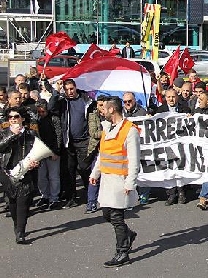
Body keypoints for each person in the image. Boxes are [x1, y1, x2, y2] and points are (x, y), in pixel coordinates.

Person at [89, 96, 140, 267]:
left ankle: (122, 252)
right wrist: (95, 173)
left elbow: (134, 160)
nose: (101, 110)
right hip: (107, 180)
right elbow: (103, 154)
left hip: (120, 181)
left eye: (104, 107)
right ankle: (128, 234)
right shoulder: (107, 128)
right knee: (106, 214)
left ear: (112, 110)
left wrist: (130, 183)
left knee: (117, 217)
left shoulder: (130, 130)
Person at [48, 78, 93, 209]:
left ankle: (90, 193)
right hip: (68, 143)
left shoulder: (85, 100)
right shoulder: (63, 102)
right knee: (69, 171)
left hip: (83, 141)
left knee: (84, 168)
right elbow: (51, 107)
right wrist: (56, 92)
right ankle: (71, 197)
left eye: (71, 89)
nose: (69, 92)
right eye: (66, 90)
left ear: (75, 87)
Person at [0, 107, 39, 244]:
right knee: (12, 203)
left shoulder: (31, 133)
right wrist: (12, 135)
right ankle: (17, 224)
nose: (13, 119)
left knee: (24, 202)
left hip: (26, 171)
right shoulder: (3, 133)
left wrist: (36, 162)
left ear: (22, 118)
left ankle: (21, 232)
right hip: (7, 172)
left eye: (16, 116)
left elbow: (38, 151)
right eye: (10, 117)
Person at [155, 89, 191, 205]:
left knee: (180, 169)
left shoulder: (185, 109)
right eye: (168, 97)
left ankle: (181, 193)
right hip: (166, 145)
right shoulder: (160, 111)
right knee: (168, 169)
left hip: (180, 144)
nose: (171, 99)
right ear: (165, 98)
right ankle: (171, 194)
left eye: (173, 97)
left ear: (177, 97)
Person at [35, 100, 62, 211]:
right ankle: (45, 195)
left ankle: (54, 198)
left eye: (43, 111)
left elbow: (58, 135)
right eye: (39, 112)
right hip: (40, 151)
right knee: (41, 177)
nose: (41, 114)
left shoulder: (54, 118)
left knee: (53, 176)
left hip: (52, 150)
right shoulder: (36, 120)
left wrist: (56, 151)